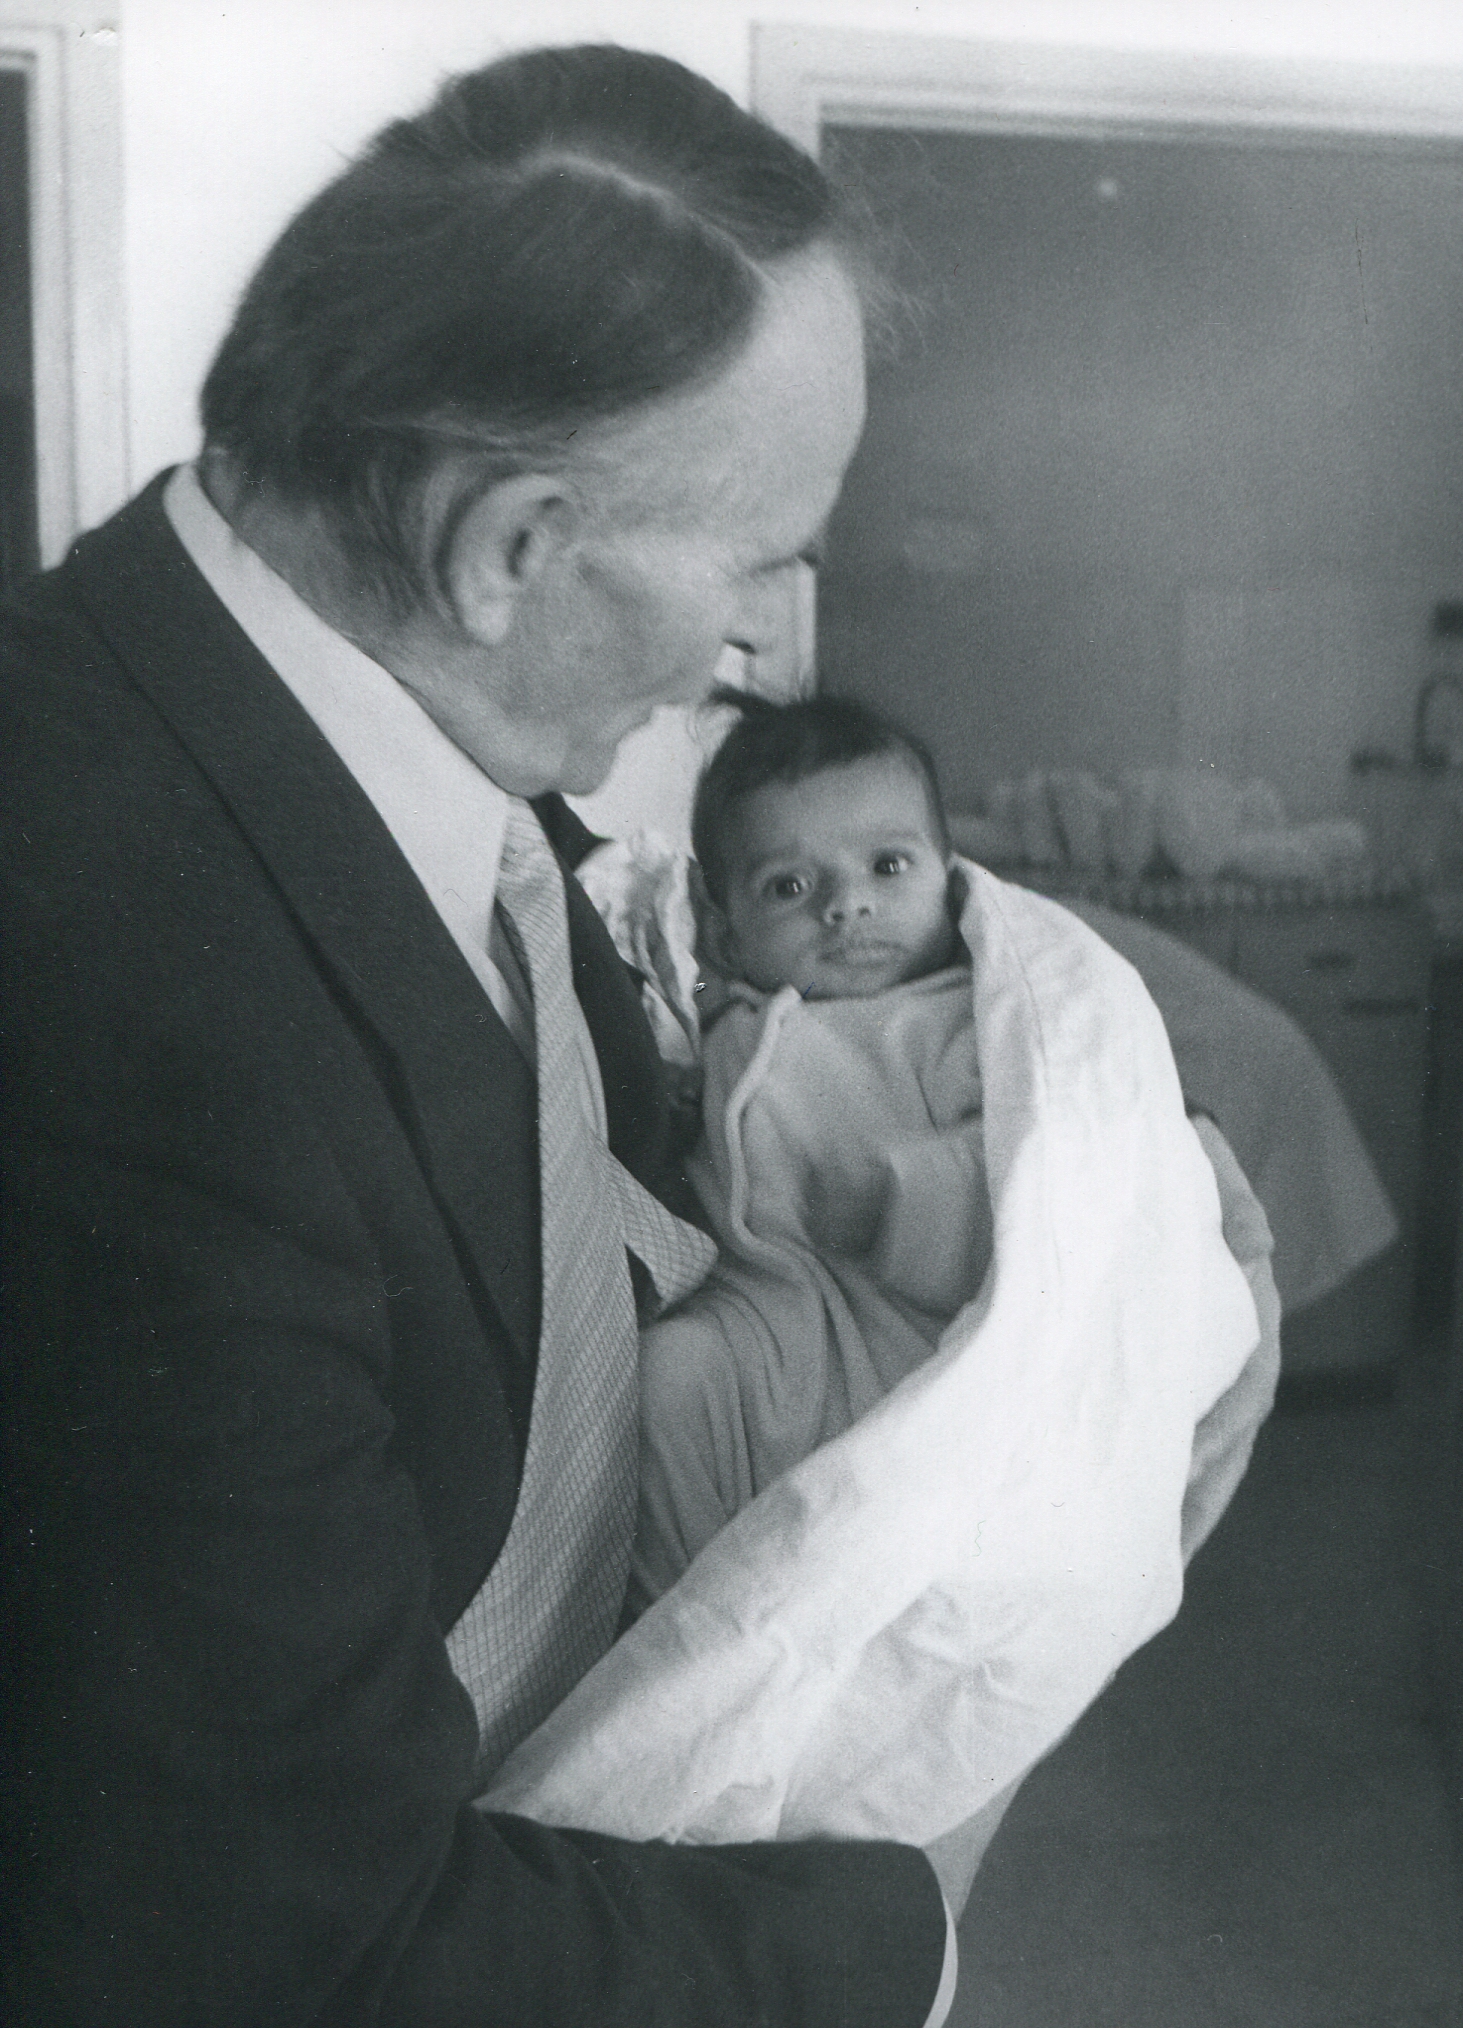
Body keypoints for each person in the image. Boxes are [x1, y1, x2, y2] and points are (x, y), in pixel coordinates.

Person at [0, 45, 959, 2028]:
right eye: (757, 555)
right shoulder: (119, 1027)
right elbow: (285, 1947)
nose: (770, 646)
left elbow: (533, 1203)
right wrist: (897, 1946)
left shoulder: (379, 738)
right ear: (506, 548)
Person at [627, 689, 1276, 1596]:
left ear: (948, 871)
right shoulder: (737, 1020)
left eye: (887, 866)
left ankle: (807, 1605)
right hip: (769, 1330)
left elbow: (1054, 1170)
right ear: (723, 918)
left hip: (906, 1346)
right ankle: (690, 1617)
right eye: (789, 886)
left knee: (892, 1502)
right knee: (667, 1383)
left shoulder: (960, 1023)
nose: (847, 907)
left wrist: (905, 1200)